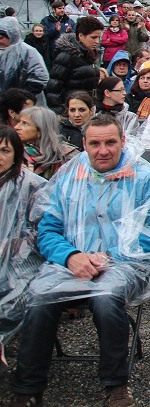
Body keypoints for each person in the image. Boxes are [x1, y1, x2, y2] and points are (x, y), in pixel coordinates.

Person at [8, 113, 150, 407]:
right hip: (69, 264)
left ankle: (116, 387)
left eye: (111, 142)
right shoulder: (69, 176)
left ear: (123, 141)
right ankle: (27, 390)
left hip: (125, 263)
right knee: (38, 299)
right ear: (83, 144)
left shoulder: (147, 178)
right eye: (95, 143)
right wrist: (70, 256)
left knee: (106, 299)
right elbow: (46, 230)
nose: (103, 150)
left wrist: (109, 257)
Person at [0, 126, 45, 367]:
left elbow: (43, 231)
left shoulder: (33, 186)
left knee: (14, 291)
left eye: (5, 151)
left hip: (22, 262)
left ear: (16, 154)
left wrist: (11, 245)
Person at [45, 17, 103, 113]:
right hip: (70, 112)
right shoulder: (67, 56)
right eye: (93, 37)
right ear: (80, 36)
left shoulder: (90, 55)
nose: (97, 41)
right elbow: (54, 88)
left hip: (85, 110)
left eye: (98, 37)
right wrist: (61, 112)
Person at [15, 105, 78, 179]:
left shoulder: (68, 156)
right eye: (19, 122)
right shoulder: (13, 153)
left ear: (40, 130)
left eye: (25, 123)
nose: (16, 127)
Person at [0, 17, 49, 102]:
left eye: (1, 38)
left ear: (11, 35)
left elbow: (40, 77)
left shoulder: (27, 52)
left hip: (25, 104)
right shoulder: (2, 52)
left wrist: (23, 97)